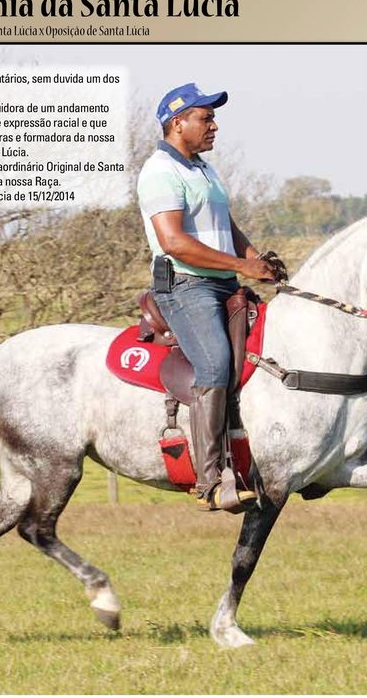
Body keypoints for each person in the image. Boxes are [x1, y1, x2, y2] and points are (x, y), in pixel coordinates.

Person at [137, 83, 280, 513]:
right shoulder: (161, 171)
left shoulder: (203, 169)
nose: (214, 125)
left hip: (222, 283)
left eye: (213, 118)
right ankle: (213, 480)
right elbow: (174, 242)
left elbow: (226, 224)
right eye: (206, 118)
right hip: (185, 286)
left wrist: (257, 260)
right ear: (177, 123)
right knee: (215, 364)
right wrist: (242, 267)